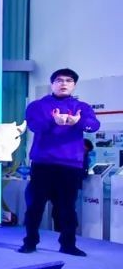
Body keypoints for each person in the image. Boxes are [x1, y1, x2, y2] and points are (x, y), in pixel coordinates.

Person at [20, 68, 100, 257]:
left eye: (68, 80)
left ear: (74, 85)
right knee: (35, 205)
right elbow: (34, 126)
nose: (64, 83)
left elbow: (94, 126)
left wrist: (78, 122)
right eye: (59, 80)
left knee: (67, 207)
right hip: (43, 163)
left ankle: (68, 244)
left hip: (70, 164)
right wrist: (53, 121)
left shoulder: (82, 107)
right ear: (52, 84)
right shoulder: (38, 105)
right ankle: (30, 242)